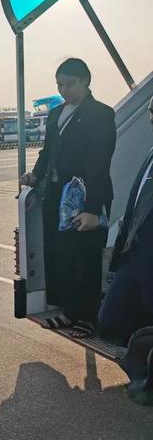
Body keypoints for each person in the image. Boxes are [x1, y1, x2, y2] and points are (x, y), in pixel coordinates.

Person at [20, 58, 116, 338]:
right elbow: (47, 152)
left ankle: (88, 316)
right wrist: (35, 176)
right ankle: (69, 310)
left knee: (85, 257)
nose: (63, 90)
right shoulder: (56, 114)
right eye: (59, 84)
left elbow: (99, 162)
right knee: (63, 256)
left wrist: (92, 208)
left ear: (86, 81)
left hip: (85, 198)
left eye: (69, 84)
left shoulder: (101, 114)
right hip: (56, 198)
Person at [98, 96, 153, 346]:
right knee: (111, 321)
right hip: (135, 251)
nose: (150, 119)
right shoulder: (150, 154)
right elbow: (137, 202)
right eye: (150, 113)